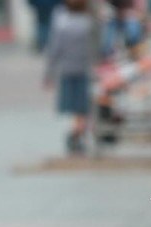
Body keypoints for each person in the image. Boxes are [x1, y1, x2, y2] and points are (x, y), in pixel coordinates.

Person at [44, 0, 98, 155]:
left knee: (76, 109)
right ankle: (76, 134)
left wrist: (49, 73)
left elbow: (54, 49)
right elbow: (96, 48)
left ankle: (77, 134)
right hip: (84, 70)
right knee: (83, 108)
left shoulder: (61, 23)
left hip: (67, 70)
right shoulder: (89, 23)